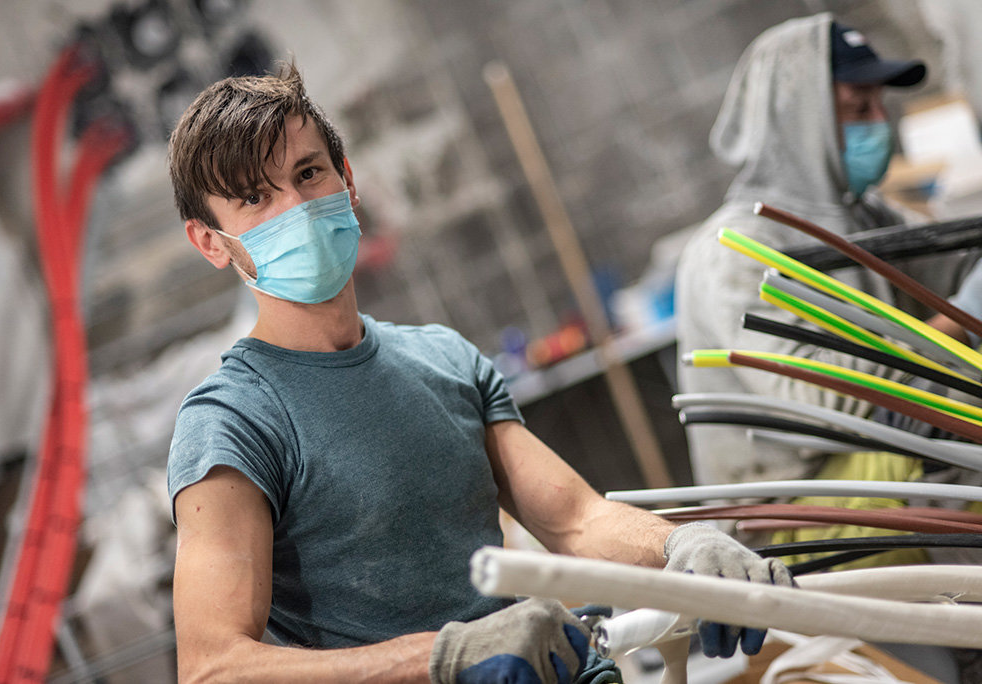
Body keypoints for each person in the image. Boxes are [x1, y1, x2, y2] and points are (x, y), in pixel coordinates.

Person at [165, 63, 794, 683]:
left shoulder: (442, 357)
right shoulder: (233, 422)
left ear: (347, 180)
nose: (297, 208)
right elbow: (214, 665)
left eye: (309, 173)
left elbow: (576, 518)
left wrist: (683, 548)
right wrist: (445, 658)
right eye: (254, 197)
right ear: (211, 242)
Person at [673, 12, 969, 487]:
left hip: (878, 465)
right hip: (795, 508)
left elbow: (955, 273)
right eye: (858, 109)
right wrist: (960, 317)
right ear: (797, 119)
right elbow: (824, 407)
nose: (880, 124)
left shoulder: (867, 215)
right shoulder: (737, 248)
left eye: (880, 105)